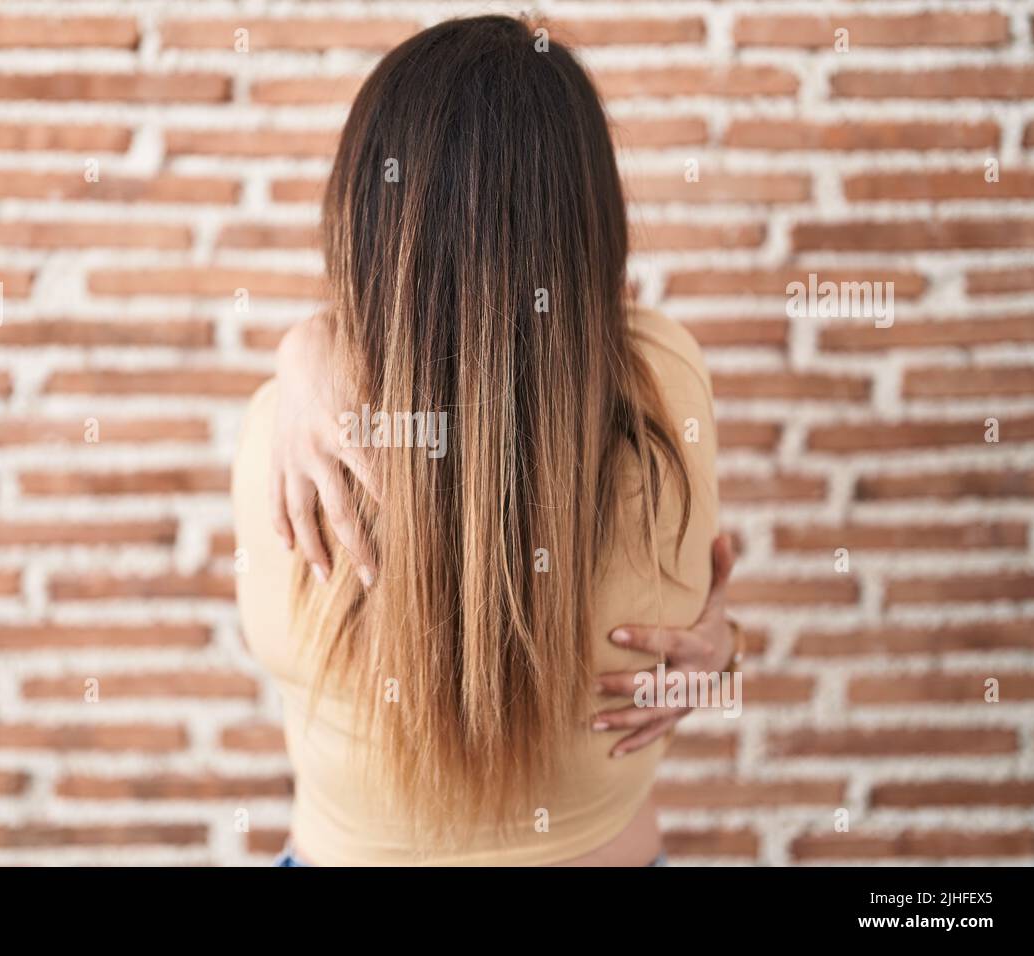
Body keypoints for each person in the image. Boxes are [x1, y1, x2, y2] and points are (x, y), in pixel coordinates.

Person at [232, 14, 740, 866]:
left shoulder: (276, 447)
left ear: (362, 214)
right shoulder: (667, 392)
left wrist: (305, 346)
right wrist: (725, 654)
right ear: (591, 225)